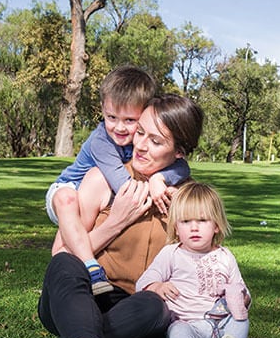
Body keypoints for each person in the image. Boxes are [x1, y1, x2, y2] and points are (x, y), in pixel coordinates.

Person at [0, 94, 204, 338]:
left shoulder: (187, 198)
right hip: (78, 299)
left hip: (137, 311)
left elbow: (201, 265)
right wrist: (118, 219)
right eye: (141, 132)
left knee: (155, 304)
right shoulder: (100, 179)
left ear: (178, 152)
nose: (142, 145)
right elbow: (60, 255)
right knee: (66, 262)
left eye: (157, 140)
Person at [45, 66, 190, 295]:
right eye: (111, 117)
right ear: (102, 110)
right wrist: (149, 191)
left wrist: (159, 179)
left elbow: (183, 166)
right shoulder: (101, 142)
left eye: (130, 120)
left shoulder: (138, 139)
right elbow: (126, 187)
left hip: (95, 192)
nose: (119, 127)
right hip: (72, 185)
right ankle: (90, 265)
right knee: (65, 200)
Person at [137, 182, 250, 338]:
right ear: (176, 228)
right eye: (186, 221)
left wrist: (242, 298)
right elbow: (143, 282)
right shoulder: (171, 254)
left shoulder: (225, 256)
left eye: (203, 220)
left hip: (221, 324)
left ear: (216, 225)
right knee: (177, 330)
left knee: (241, 320)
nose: (194, 227)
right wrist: (157, 286)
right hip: (189, 323)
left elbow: (241, 288)